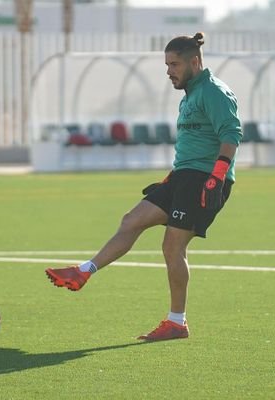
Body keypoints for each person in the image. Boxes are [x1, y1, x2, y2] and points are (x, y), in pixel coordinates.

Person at [45, 32, 242, 341]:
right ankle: (84, 271)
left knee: (172, 246)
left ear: (195, 61)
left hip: (204, 180)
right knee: (131, 220)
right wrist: (170, 180)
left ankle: (177, 322)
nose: (169, 71)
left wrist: (216, 177)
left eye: (174, 64)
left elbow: (231, 134)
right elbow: (193, 145)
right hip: (182, 177)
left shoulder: (214, 92)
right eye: (166, 65)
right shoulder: (190, 94)